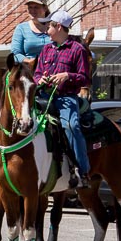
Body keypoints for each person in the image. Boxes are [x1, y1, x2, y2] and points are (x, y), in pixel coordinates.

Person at [33, 10, 91, 189]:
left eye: (49, 25)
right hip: (43, 96)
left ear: (58, 26)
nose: (46, 29)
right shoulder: (46, 49)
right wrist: (39, 80)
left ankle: (83, 171)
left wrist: (67, 75)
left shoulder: (77, 49)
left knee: (72, 126)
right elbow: (36, 74)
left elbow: (85, 78)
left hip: (65, 98)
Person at [11, 0, 50, 67]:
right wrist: (29, 61)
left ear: (45, 8)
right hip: (30, 71)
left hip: (53, 69)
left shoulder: (54, 27)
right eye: (30, 7)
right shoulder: (21, 28)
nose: (33, 10)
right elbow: (15, 54)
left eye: (36, 7)